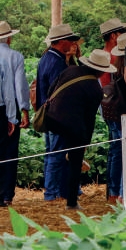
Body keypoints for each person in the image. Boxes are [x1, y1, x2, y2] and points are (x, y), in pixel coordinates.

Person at [46, 49, 116, 210]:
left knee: (54, 154)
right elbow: (89, 119)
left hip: (52, 118)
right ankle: (71, 201)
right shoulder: (95, 89)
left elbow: (51, 90)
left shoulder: (70, 70)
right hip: (74, 125)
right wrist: (84, 143)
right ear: (101, 71)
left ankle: (51, 193)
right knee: (75, 162)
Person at [0, 21, 29, 206]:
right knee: (7, 153)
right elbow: (18, 85)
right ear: (9, 37)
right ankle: (5, 193)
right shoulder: (15, 57)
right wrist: (21, 110)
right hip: (5, 107)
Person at [35, 23, 81, 201]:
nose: (73, 43)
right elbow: (59, 91)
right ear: (61, 41)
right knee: (57, 153)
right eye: (70, 39)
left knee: (52, 152)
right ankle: (51, 193)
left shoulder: (47, 58)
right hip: (58, 116)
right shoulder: (56, 62)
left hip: (49, 114)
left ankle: (56, 189)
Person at [103, 30, 126, 205]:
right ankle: (124, 191)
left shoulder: (116, 67)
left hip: (114, 113)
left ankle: (114, 191)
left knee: (116, 152)